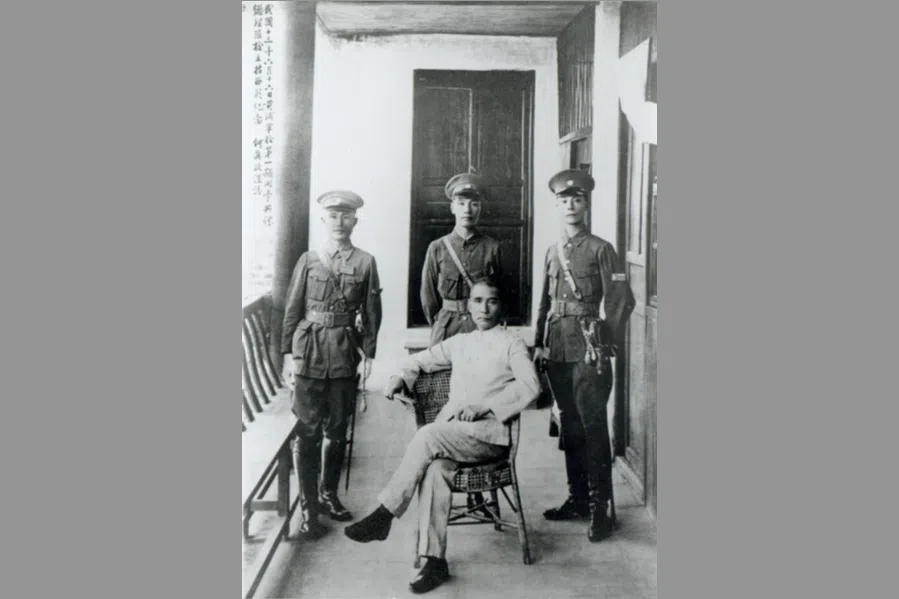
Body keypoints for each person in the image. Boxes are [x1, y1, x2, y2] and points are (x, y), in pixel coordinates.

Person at [344, 278, 539, 594]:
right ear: (469, 305)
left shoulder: (511, 343)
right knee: (435, 470)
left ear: (501, 306)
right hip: (453, 436)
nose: (484, 308)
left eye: (491, 301)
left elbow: (531, 385)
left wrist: (485, 406)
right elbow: (418, 360)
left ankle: (384, 514)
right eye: (477, 301)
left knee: (428, 435)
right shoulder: (460, 342)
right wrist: (399, 378)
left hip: (487, 439)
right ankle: (434, 561)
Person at [533, 169, 636, 543]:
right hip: (558, 349)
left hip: (588, 351)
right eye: (564, 200)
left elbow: (622, 301)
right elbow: (543, 303)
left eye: (577, 200)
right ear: (557, 205)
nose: (570, 206)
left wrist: (606, 341)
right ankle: (577, 498)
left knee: (593, 427)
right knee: (569, 425)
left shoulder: (600, 249)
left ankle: (600, 509)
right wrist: (538, 343)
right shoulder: (552, 251)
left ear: (586, 205)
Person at [280, 190, 383, 539]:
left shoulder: (365, 262)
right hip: (308, 352)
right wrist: (286, 355)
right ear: (324, 220)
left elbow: (372, 313)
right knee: (306, 433)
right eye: (333, 215)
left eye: (346, 216)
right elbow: (292, 309)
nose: (339, 222)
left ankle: (329, 495)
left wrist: (369, 354)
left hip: (343, 353)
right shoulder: (309, 260)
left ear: (355, 220)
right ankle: (309, 508)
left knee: (337, 431)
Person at [420, 171, 504, 346]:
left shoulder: (492, 248)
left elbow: (501, 294)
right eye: (461, 203)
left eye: (474, 204)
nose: (467, 210)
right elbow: (428, 298)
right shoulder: (437, 248)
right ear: (452, 207)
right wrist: (439, 324)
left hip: (480, 329)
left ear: (480, 208)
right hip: (446, 329)